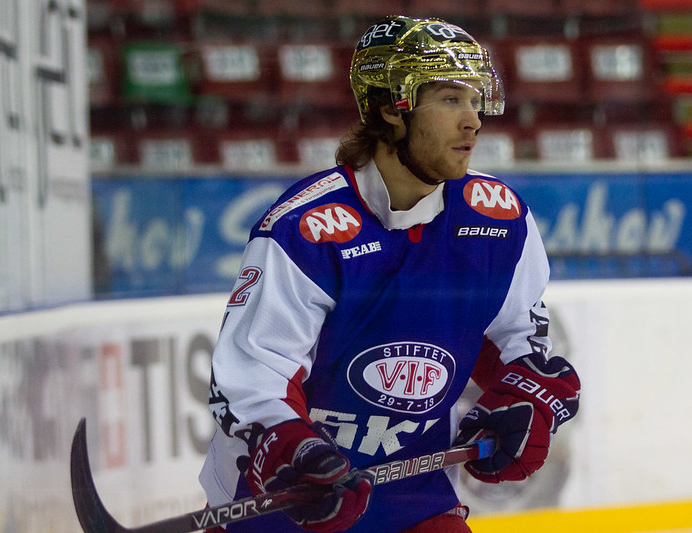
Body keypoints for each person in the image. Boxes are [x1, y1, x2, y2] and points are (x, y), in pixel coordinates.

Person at [199, 15, 581, 533]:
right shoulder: (308, 229)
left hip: (413, 499)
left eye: (475, 100)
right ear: (388, 109)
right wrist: (291, 449)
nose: (473, 121)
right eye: (449, 99)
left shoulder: (499, 217)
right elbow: (254, 374)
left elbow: (517, 341)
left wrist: (526, 399)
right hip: (289, 503)